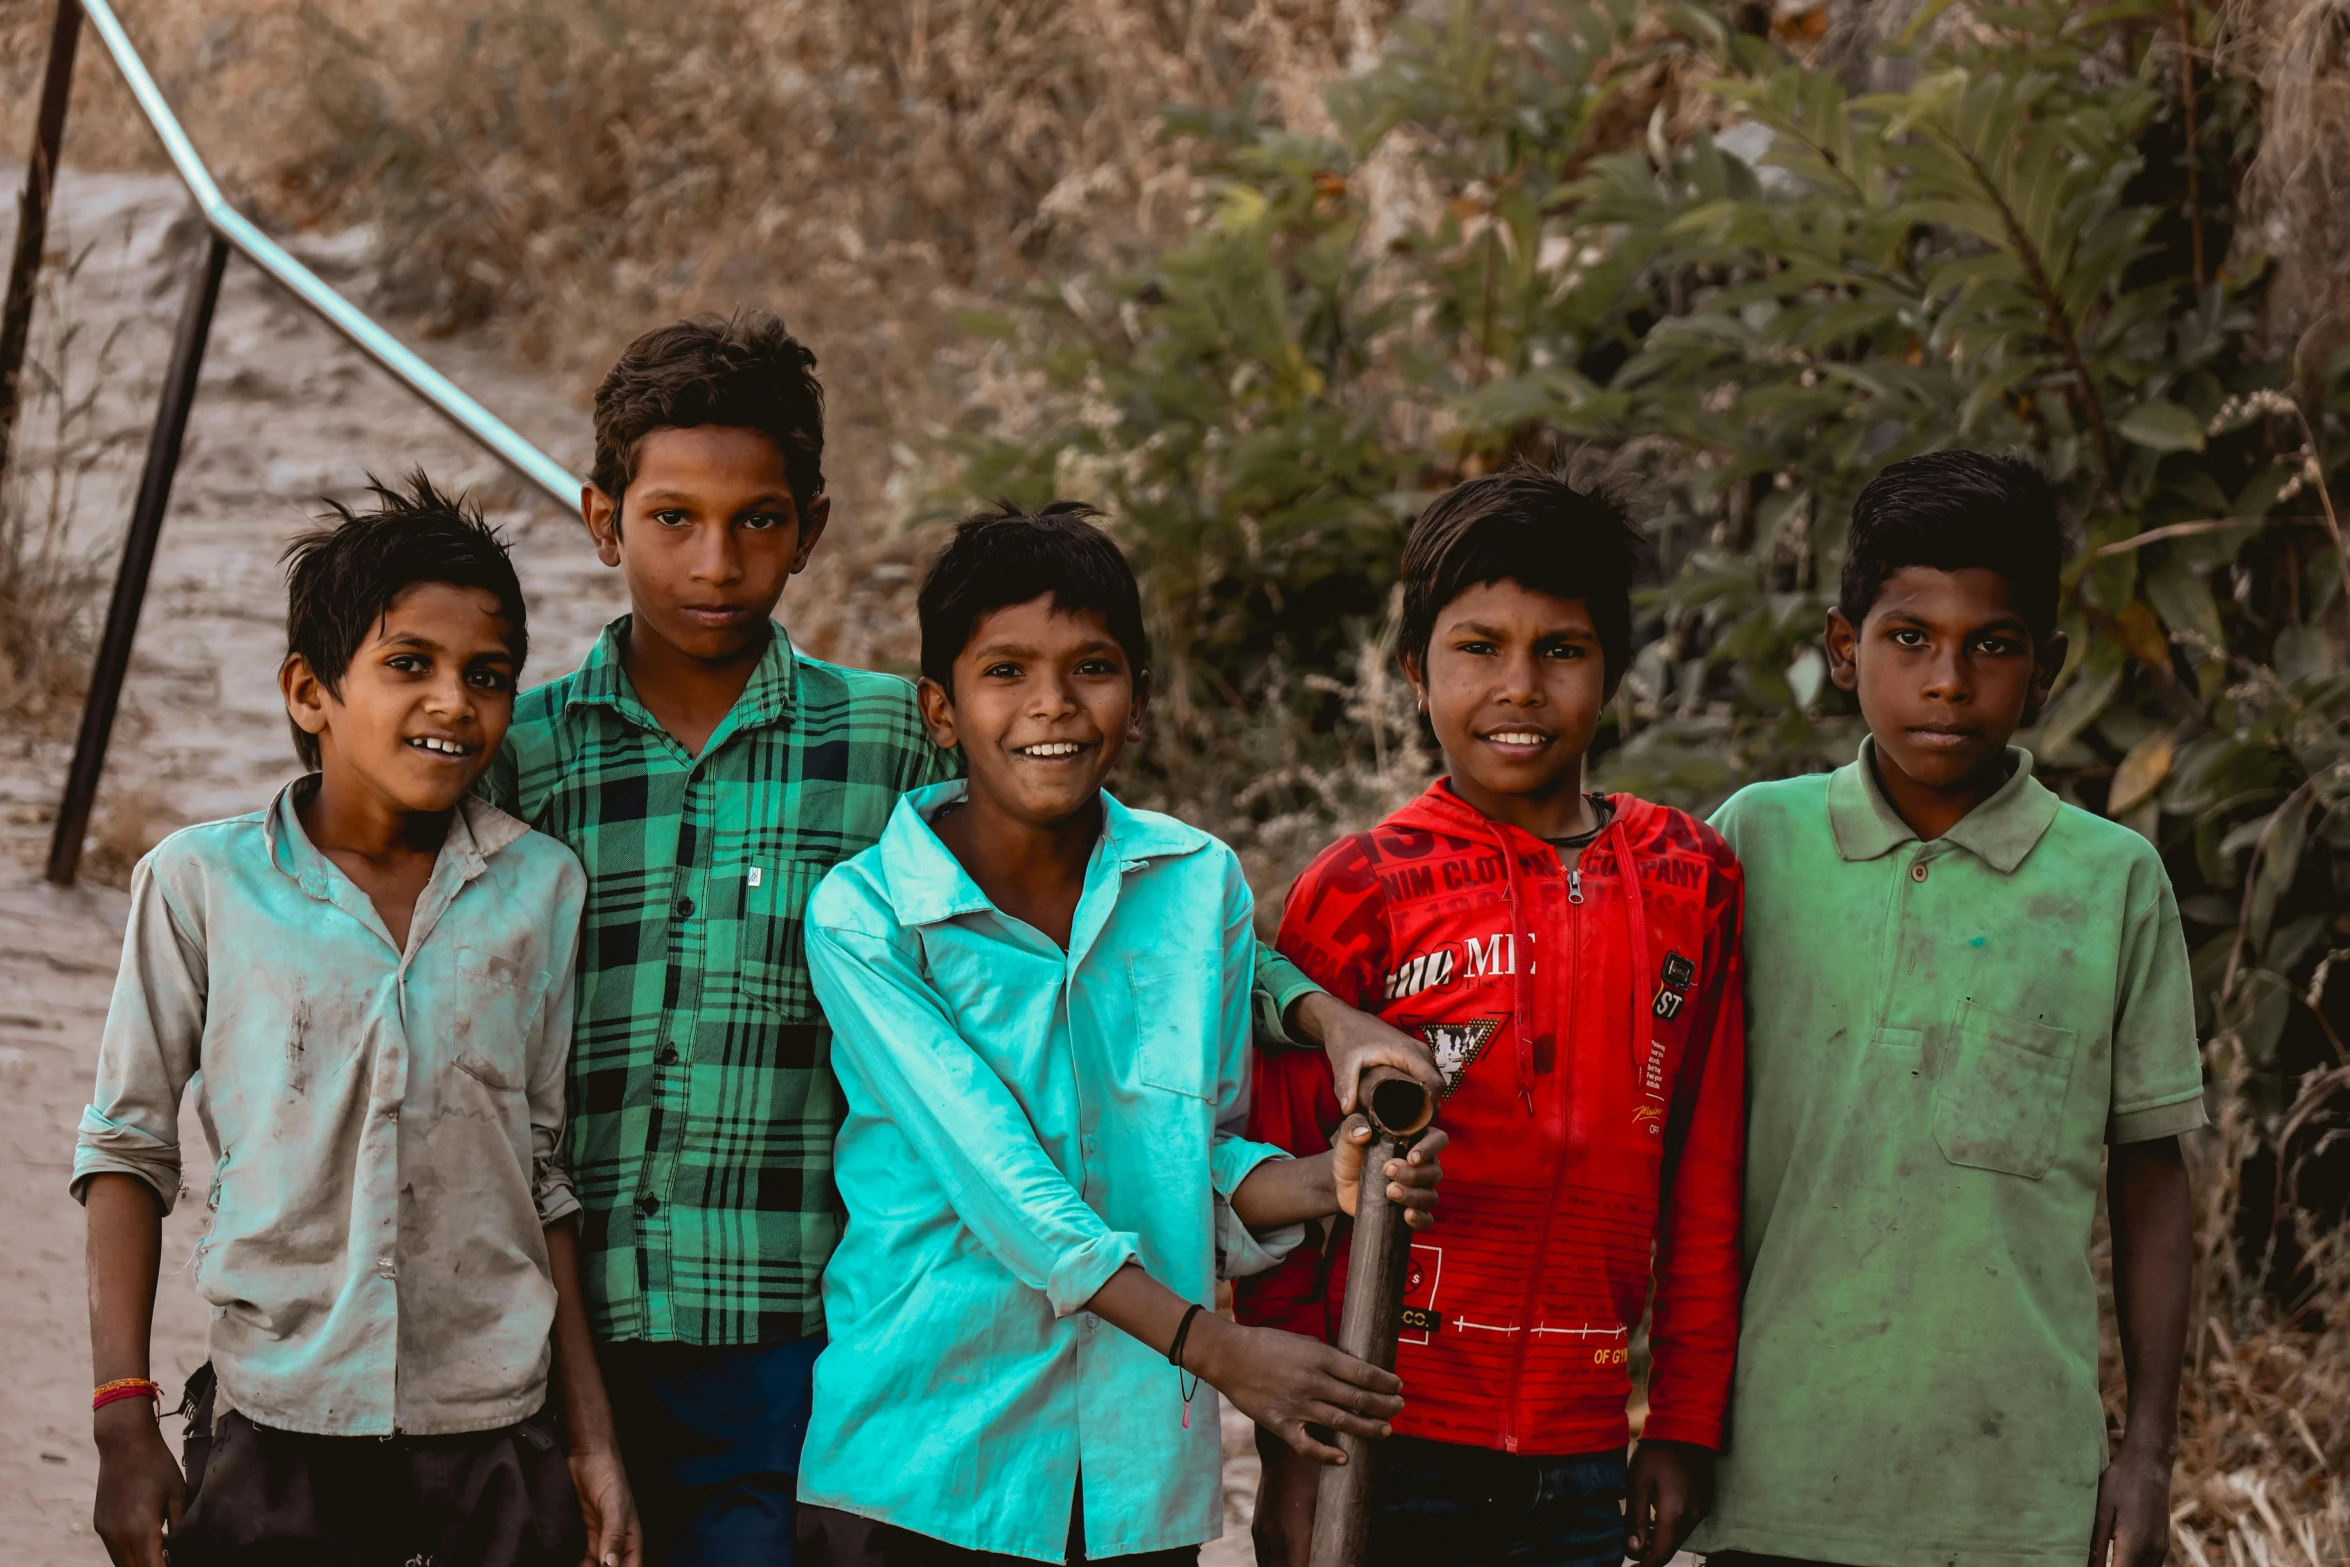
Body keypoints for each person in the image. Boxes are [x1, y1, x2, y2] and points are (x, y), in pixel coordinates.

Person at [483, 314, 1428, 1565]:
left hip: (795, 1318)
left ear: (810, 529)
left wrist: (1320, 1013)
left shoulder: (889, 738)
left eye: (758, 520)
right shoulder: (522, 756)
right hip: (573, 1311)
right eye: (672, 520)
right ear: (603, 523)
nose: (715, 559)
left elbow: (1113, 907)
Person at [792, 503, 1450, 1566]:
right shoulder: (867, 915)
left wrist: (1324, 1180)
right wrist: (1220, 1350)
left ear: (1137, 701)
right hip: (926, 1463)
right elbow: (1003, 1184)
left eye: (1090, 667)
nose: (1051, 704)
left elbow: (1186, 1153)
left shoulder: (1196, 886)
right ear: (940, 710)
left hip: (1132, 1475)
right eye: (1004, 670)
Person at [76, 478, 637, 1567]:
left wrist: (593, 1437)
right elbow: (127, 1148)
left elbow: (542, 1172)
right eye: (408, 664)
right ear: (308, 691)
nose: (453, 703)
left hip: (495, 1439)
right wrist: (121, 1417)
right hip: (274, 1426)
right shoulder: (201, 884)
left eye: (487, 677)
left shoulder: (540, 889)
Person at [1692, 451, 2203, 1567]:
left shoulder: (2110, 881)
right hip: (1773, 1479)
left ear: (2048, 666)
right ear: (1843, 648)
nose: (1948, 680)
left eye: (1994, 643)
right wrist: (1670, 1422)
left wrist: (2149, 1450)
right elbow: (1674, 1144)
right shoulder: (1750, 844)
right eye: (1909, 637)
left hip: (2016, 1497)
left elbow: (2152, 1177)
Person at [1238, 465, 1747, 1567]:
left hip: (1579, 1446)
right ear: (1414, 669)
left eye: (1559, 649)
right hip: (1380, 1427)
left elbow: (1703, 1178)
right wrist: (1289, 1448)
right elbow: (1284, 1189)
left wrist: (1684, 1423)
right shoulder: (1361, 886)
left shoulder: (1687, 878)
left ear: (1612, 670)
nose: (1519, 685)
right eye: (1479, 647)